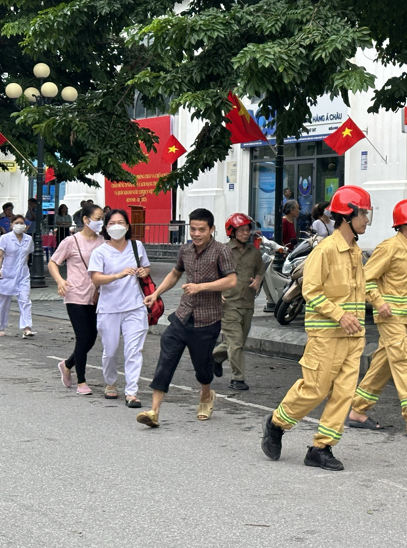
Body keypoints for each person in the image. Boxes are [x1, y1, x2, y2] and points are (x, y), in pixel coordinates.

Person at [261, 186, 382, 471]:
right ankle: (276, 423)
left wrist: (378, 303)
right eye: (363, 213)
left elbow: (362, 287)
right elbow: (311, 291)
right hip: (327, 335)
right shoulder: (325, 251)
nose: (366, 219)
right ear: (348, 215)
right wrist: (340, 315)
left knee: (343, 393)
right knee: (314, 389)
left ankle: (321, 447)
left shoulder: (355, 252)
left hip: (353, 337)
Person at [136, 208, 237, 427]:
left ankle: (206, 395)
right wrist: (155, 293)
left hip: (207, 319)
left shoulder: (221, 251)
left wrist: (201, 287)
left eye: (202, 230)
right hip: (182, 316)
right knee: (166, 358)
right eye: (193, 229)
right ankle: (154, 411)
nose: (197, 234)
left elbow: (231, 281)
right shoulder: (185, 250)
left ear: (211, 229)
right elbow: (175, 273)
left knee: (202, 366)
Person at [347, 199, 407, 438]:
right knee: (405, 361)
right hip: (390, 318)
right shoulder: (389, 247)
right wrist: (378, 302)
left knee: (382, 364)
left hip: (404, 318)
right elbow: (365, 279)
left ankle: (358, 411)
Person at [89, 209, 151, 405]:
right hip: (109, 308)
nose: (117, 226)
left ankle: (131, 391)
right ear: (106, 228)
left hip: (135, 306)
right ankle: (110, 382)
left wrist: (143, 271)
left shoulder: (137, 246)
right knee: (111, 350)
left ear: (127, 226)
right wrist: (118, 275)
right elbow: (96, 278)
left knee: (134, 350)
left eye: (121, 222)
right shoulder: (100, 251)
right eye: (112, 223)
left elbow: (146, 267)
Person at [50, 203, 105, 395]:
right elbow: (53, 262)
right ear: (85, 220)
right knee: (83, 337)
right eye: (98, 219)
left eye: (102, 219)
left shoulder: (103, 241)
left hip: (96, 295)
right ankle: (81, 381)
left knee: (91, 337)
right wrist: (60, 281)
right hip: (74, 294)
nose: (101, 222)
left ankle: (67, 364)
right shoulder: (70, 241)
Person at [212, 213, 265, 391]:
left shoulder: (254, 253)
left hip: (248, 303)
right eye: (241, 230)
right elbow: (212, 274)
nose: (245, 233)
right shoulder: (223, 251)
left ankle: (215, 357)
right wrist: (217, 293)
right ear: (232, 232)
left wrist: (258, 279)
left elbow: (260, 270)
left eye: (247, 229)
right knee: (236, 343)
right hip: (228, 304)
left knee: (238, 340)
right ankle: (237, 378)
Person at [0, 215, 35, 338]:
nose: (19, 225)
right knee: (3, 302)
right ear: (11, 224)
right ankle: (0, 327)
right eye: (16, 223)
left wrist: (24, 266)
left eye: (22, 223)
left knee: (25, 300)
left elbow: (26, 255)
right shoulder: (5, 238)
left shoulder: (28, 239)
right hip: (7, 274)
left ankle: (27, 327)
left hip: (23, 274)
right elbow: (0, 255)